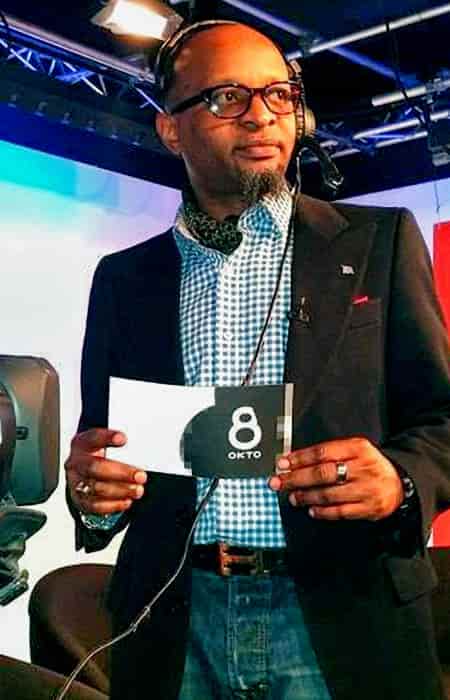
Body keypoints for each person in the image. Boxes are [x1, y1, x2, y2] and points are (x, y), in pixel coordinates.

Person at [65, 20, 450, 700]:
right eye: (228, 97)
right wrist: (92, 494)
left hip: (346, 613)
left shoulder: (379, 242)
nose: (262, 115)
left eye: (279, 94)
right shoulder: (124, 279)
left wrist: (400, 480)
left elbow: (442, 421)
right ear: (171, 129)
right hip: (174, 623)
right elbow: (102, 448)